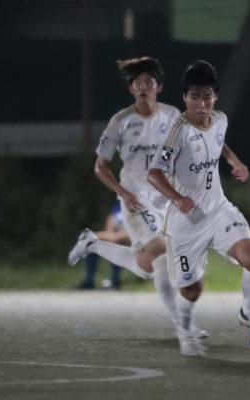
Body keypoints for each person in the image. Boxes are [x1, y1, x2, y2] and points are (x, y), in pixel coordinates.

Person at [67, 56, 205, 336]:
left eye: (148, 81)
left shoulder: (172, 116)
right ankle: (183, 325)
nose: (143, 87)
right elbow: (100, 167)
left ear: (159, 86)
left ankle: (92, 244)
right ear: (131, 89)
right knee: (162, 251)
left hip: (166, 198)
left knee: (146, 266)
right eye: (137, 82)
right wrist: (123, 192)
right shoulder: (120, 122)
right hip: (136, 198)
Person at [147, 59, 250, 356]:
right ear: (185, 97)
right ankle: (185, 333)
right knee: (192, 290)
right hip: (186, 221)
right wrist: (177, 198)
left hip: (219, 210)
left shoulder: (220, 119)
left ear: (215, 97)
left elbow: (218, 141)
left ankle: (249, 313)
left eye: (207, 96)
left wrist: (234, 161)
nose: (201, 104)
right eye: (195, 97)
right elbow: (154, 174)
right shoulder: (178, 132)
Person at [75, 202, 129, 290]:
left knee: (117, 242)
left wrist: (117, 236)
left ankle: (115, 282)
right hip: (115, 235)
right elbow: (111, 219)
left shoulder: (139, 202)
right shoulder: (119, 204)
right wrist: (110, 234)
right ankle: (88, 281)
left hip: (131, 236)